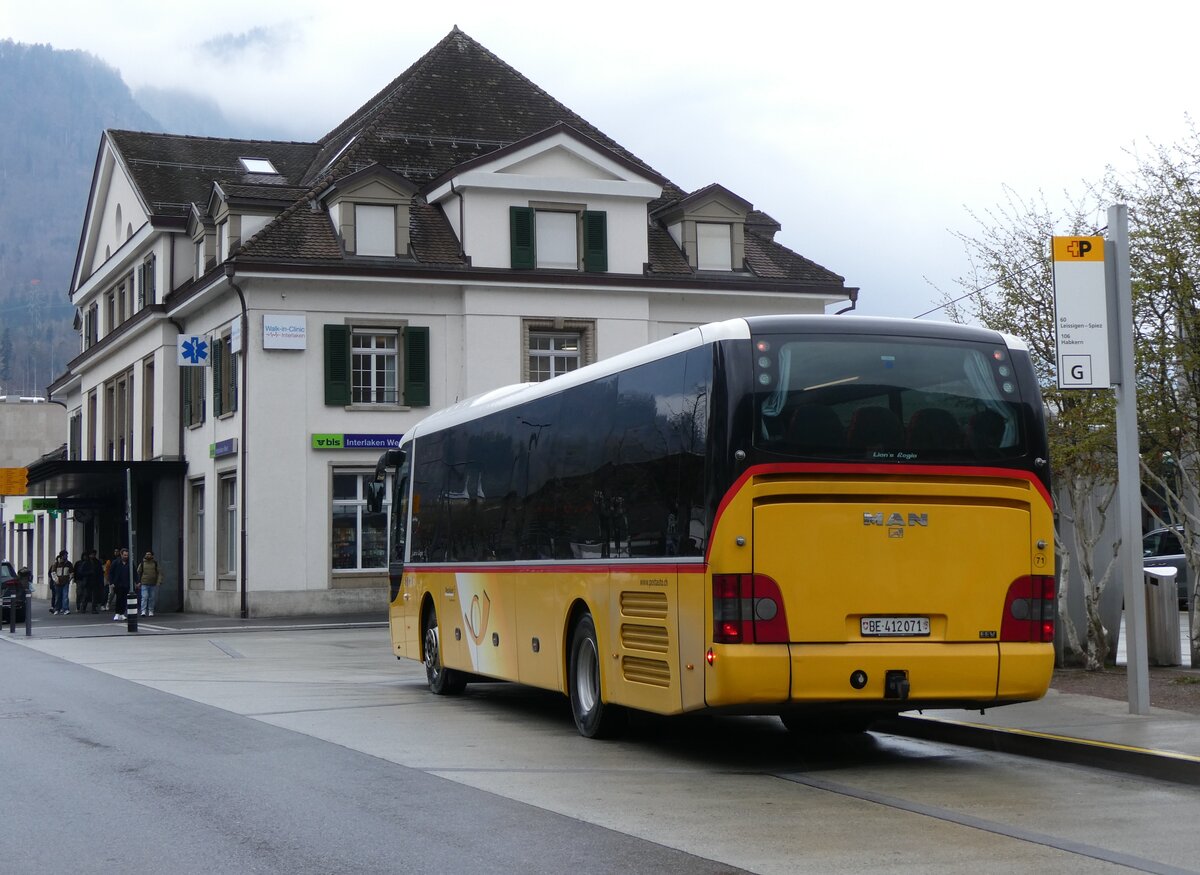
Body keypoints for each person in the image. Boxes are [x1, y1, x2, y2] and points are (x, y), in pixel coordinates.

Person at [109, 547, 132, 621]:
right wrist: (112, 582)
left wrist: (137, 581)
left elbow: (134, 572)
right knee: (119, 598)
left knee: (124, 599)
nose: (126, 556)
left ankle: (122, 613)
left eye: (127, 555)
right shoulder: (116, 562)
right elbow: (111, 572)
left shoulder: (129, 563)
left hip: (126, 584)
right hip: (118, 584)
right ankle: (117, 613)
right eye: (124, 555)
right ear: (121, 555)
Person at [136, 549, 161, 617]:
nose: (148, 555)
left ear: (152, 555)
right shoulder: (142, 563)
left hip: (153, 583)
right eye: (146, 554)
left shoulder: (155, 563)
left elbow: (159, 572)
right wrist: (138, 582)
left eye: (149, 554)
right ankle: (143, 611)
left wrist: (158, 581)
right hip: (144, 583)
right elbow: (138, 573)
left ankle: (151, 610)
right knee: (144, 597)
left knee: (151, 598)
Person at [48, 550, 73, 615]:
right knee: (58, 596)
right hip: (57, 583)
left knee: (65, 596)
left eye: (66, 555)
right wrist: (56, 580)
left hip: (65, 582)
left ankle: (66, 609)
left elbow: (71, 573)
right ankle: (57, 609)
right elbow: (53, 573)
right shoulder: (56, 564)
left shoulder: (69, 564)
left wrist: (69, 580)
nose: (66, 556)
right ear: (62, 556)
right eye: (65, 555)